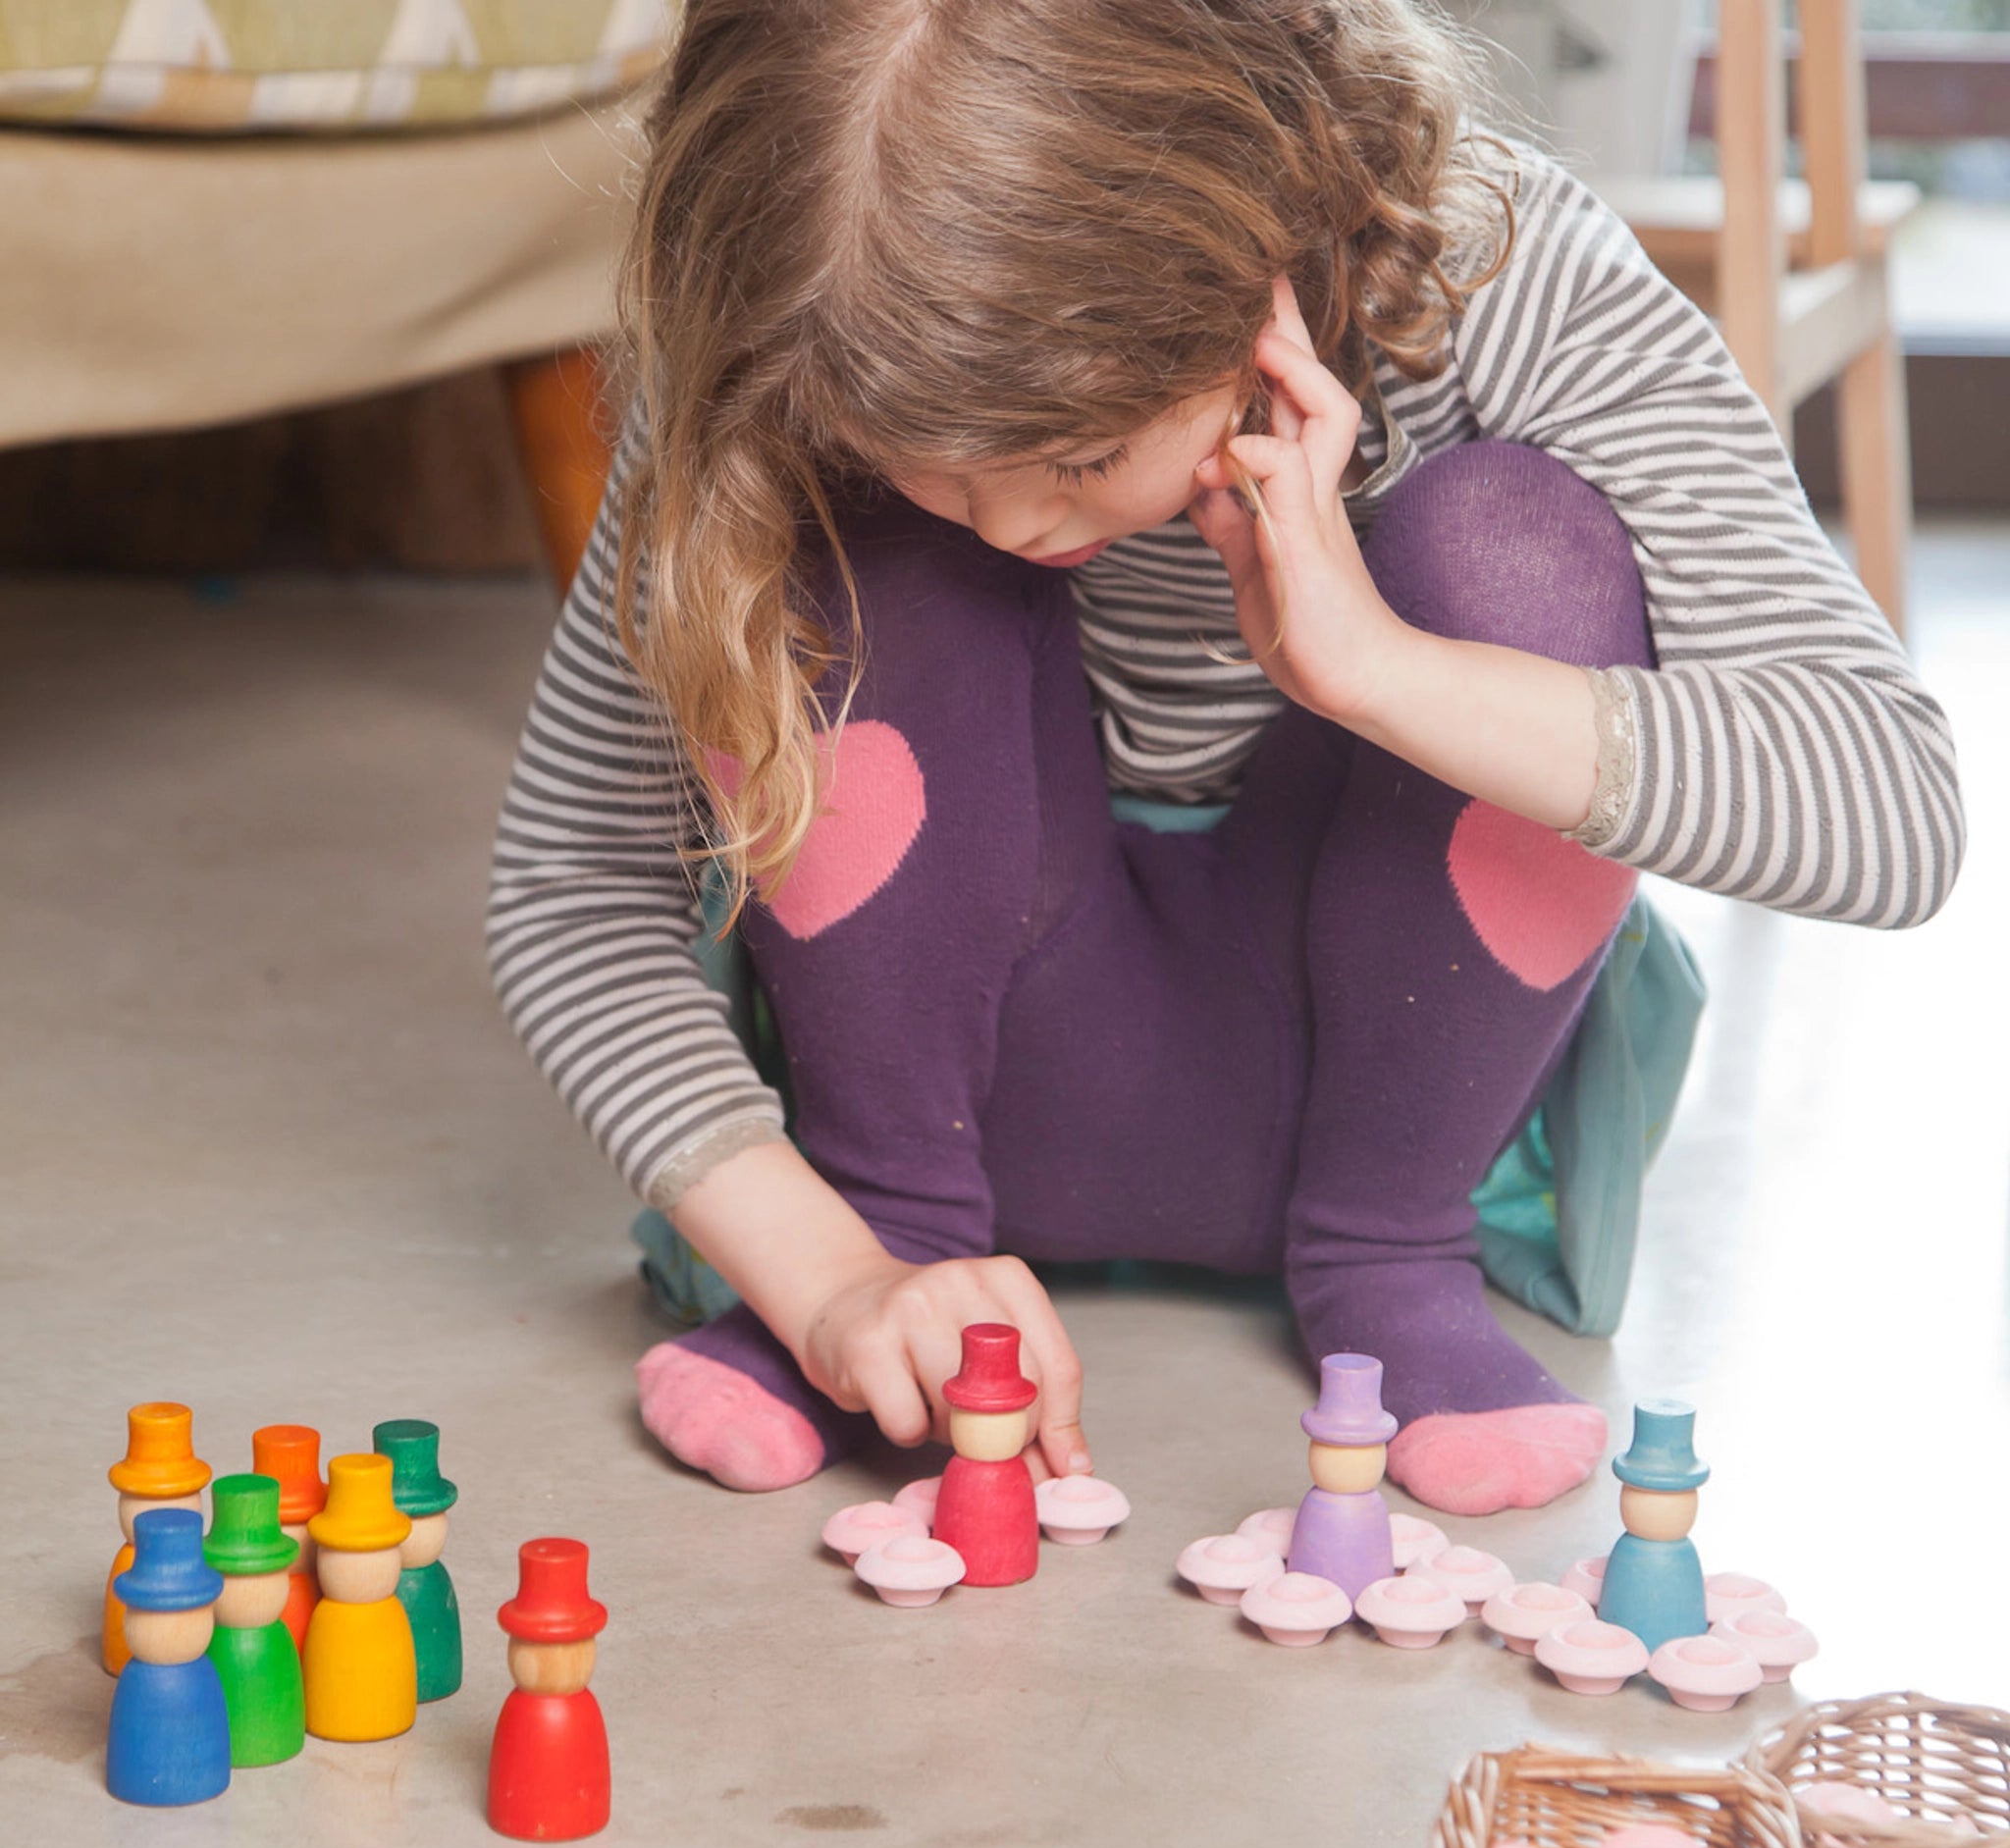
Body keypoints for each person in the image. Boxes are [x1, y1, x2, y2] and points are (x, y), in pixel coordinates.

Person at [488, 0, 1963, 1516]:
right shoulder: (800, 305)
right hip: (934, 1101)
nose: (1010, 530)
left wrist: (1382, 674)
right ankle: (898, 1232)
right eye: (920, 468)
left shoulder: (1511, 277)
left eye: (1069, 459)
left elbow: (1896, 814)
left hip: (1385, 1065)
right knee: (837, 551)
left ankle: (1391, 1249)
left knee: (1519, 552)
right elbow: (565, 890)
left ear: (1265, 255)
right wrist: (831, 1280)